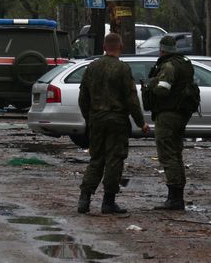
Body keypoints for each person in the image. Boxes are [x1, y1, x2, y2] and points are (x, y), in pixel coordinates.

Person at [77, 32, 149, 214]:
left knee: (96, 159)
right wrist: (141, 123)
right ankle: (108, 201)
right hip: (117, 121)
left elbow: (83, 97)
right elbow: (131, 99)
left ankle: (84, 198)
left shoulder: (92, 67)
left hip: (97, 119)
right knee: (114, 160)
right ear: (121, 47)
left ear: (103, 47)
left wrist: (89, 117)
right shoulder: (122, 69)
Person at [146, 35, 195, 211]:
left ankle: (174, 198)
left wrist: (151, 84)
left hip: (168, 114)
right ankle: (177, 196)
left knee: (168, 154)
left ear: (162, 49)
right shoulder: (184, 62)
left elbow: (163, 90)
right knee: (176, 153)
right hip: (181, 113)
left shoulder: (168, 66)